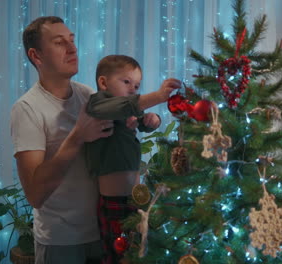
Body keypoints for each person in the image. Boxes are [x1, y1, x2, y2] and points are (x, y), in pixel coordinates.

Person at [10, 16, 114, 264]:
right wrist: (77, 137)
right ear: (37, 56)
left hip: (101, 231)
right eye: (59, 42)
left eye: (72, 40)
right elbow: (34, 194)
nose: (72, 48)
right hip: (61, 243)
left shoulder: (87, 95)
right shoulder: (27, 109)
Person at [84, 55, 181, 263]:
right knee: (116, 253)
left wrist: (153, 120)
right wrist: (157, 96)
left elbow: (142, 120)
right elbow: (124, 107)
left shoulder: (127, 112)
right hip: (113, 201)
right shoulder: (98, 104)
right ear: (103, 83)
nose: (133, 89)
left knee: (137, 249)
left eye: (137, 86)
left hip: (135, 197)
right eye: (126, 82)